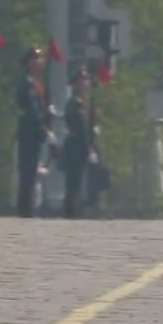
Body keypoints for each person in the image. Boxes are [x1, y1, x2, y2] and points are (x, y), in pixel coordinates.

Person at [15, 45, 53, 217]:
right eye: (36, 58)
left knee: (31, 173)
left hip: (34, 132)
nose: (40, 61)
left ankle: (28, 207)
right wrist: (42, 127)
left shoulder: (38, 83)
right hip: (29, 132)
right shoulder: (27, 83)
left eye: (40, 58)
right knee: (28, 173)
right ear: (29, 62)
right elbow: (32, 110)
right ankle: (24, 210)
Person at [61, 66, 96, 218]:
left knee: (77, 181)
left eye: (87, 79)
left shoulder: (83, 102)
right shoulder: (75, 103)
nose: (85, 82)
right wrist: (89, 148)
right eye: (82, 79)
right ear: (75, 83)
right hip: (76, 148)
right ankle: (70, 213)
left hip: (79, 148)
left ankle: (75, 211)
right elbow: (81, 129)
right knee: (73, 183)